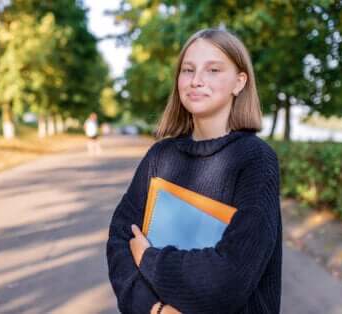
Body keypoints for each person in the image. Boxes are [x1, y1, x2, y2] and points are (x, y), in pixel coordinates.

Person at [106, 27, 282, 314]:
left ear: (239, 82)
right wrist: (153, 310)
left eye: (213, 70)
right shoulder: (159, 157)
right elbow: (120, 242)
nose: (197, 80)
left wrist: (150, 259)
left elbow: (231, 276)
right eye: (188, 70)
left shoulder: (256, 160)